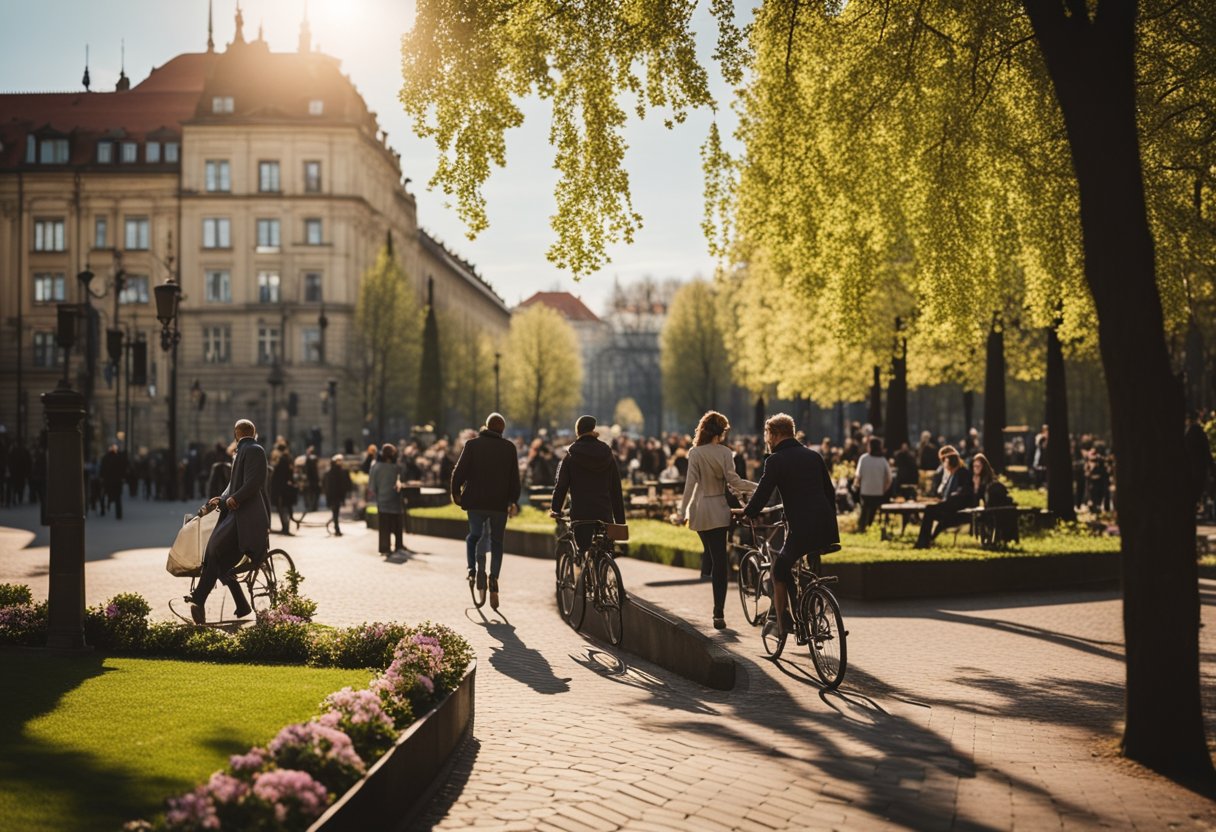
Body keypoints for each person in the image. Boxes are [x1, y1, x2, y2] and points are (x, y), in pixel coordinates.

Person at [743, 414, 839, 647]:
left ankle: (782, 621)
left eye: (767, 435)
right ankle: (813, 614)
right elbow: (830, 492)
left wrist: (747, 512)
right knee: (809, 570)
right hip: (826, 527)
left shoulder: (775, 460)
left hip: (802, 529)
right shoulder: (814, 456)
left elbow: (763, 495)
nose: (766, 439)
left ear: (775, 434)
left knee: (780, 569)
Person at [673, 411, 757, 630]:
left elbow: (690, 485)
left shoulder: (695, 453)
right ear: (721, 432)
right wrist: (757, 487)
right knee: (720, 559)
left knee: (711, 552)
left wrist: (682, 512)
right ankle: (718, 612)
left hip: (700, 509)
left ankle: (706, 567)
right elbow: (734, 481)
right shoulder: (725, 453)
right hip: (719, 508)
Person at [186, 419, 270, 624]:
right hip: (237, 516)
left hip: (247, 519)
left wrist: (233, 499)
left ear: (236, 434)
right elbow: (234, 485)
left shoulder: (253, 450)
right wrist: (221, 499)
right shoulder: (243, 450)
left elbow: (254, 483)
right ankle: (239, 604)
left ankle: (199, 599)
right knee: (218, 560)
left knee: (215, 551)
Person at [451, 413, 522, 609]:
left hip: (476, 502)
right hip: (499, 504)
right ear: (502, 430)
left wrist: (456, 493)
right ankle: (494, 579)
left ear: (486, 426)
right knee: (497, 541)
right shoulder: (509, 448)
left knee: (474, 536)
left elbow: (459, 471)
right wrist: (512, 501)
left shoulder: (472, 445)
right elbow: (514, 479)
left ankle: (473, 569)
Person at [551, 415, 627, 558]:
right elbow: (615, 488)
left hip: (581, 513)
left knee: (583, 551)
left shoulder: (571, 454)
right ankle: (602, 574)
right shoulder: (607, 452)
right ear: (593, 430)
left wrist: (555, 508)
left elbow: (561, 485)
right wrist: (620, 521)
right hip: (603, 512)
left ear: (577, 432)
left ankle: (585, 572)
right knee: (603, 550)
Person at [913, 445, 974, 548]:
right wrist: (942, 501)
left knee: (929, 510)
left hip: (956, 511)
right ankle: (924, 541)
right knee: (930, 510)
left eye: (944, 461)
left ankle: (923, 542)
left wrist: (945, 502)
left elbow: (961, 496)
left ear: (949, 461)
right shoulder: (954, 474)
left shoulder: (963, 473)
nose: (943, 464)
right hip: (950, 507)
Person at [370, 444, 405, 555]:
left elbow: (372, 486)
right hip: (395, 499)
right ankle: (398, 545)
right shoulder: (396, 467)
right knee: (397, 524)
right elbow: (402, 477)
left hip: (382, 500)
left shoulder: (375, 466)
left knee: (384, 527)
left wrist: (378, 493)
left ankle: (385, 548)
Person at [854, 437, 892, 533]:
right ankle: (870, 525)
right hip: (878, 492)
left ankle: (861, 527)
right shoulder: (883, 460)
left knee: (864, 509)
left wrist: (856, 485)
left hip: (865, 491)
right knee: (873, 510)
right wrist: (884, 488)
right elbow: (889, 478)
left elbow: (858, 475)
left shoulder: (864, 458)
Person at [269, 443, 295, 536]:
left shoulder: (282, 460)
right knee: (283, 510)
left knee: (283, 510)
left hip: (281, 490)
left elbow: (280, 477)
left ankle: (285, 528)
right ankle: (285, 528)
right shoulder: (284, 460)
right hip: (283, 489)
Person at [322, 454, 351, 536]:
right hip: (334, 496)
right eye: (339, 461)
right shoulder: (335, 472)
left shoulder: (335, 472)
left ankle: (337, 529)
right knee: (335, 513)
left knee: (335, 513)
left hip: (334, 496)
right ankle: (337, 529)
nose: (341, 463)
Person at [99, 444, 127, 520]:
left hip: (108, 480)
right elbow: (123, 469)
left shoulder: (105, 458)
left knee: (103, 495)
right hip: (117, 481)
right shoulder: (119, 458)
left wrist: (102, 477)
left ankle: (103, 510)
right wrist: (122, 478)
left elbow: (102, 469)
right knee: (118, 498)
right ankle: (119, 514)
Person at [303, 446, 321, 513]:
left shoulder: (309, 459)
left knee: (311, 494)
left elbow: (307, 470)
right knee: (315, 494)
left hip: (310, 479)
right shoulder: (314, 459)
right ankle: (314, 507)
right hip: (314, 479)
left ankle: (311, 506)